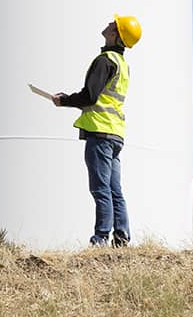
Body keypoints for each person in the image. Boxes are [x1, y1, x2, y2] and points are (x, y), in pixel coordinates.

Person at [52, 14, 142, 247]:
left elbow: (90, 96)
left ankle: (101, 238)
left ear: (116, 35)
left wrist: (64, 100)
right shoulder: (122, 65)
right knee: (114, 190)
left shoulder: (105, 60)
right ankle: (121, 237)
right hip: (115, 134)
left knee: (100, 188)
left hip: (100, 132)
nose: (109, 24)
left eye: (114, 25)